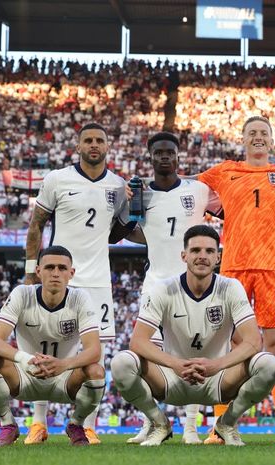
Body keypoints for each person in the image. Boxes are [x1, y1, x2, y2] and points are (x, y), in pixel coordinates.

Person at [195, 116, 275, 443]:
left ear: (271, 141)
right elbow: (186, 185)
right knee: (229, 344)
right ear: (243, 139)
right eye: (252, 133)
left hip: (273, 268)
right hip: (233, 268)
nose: (258, 138)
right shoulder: (224, 170)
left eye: (263, 133)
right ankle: (220, 425)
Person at [111, 225, 275, 446]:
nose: (202, 256)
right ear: (184, 256)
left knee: (268, 364)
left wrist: (217, 365)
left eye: (209, 251)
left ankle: (226, 423)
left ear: (218, 257)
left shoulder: (231, 287)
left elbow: (253, 341)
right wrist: (176, 364)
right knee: (121, 362)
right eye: (196, 250)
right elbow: (138, 341)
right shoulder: (163, 289)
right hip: (171, 378)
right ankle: (159, 422)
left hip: (219, 379)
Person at [110, 132, 222, 445]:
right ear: (151, 157)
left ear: (177, 156)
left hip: (194, 285)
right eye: (158, 153)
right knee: (146, 354)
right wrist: (129, 207)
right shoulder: (142, 194)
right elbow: (117, 235)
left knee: (193, 352)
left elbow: (232, 210)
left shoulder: (198, 190)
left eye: (169, 152)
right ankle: (153, 422)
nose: (164, 157)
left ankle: (190, 427)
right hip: (156, 284)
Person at [25, 122, 133, 444]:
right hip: (57, 276)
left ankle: (85, 424)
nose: (94, 145)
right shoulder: (57, 179)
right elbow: (36, 225)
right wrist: (32, 270)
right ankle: (39, 423)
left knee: (95, 355)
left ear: (107, 146)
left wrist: (129, 211)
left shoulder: (117, 185)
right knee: (45, 344)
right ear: (78, 145)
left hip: (98, 281)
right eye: (88, 140)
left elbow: (113, 234)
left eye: (100, 140)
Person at [0, 246, 104, 446]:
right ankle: (8, 424)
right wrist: (26, 359)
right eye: (49, 267)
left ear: (71, 273)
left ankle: (76, 425)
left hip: (63, 380)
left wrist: (64, 364)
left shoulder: (80, 298)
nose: (55, 273)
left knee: (96, 370)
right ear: (38, 271)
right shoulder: (22, 294)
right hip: (25, 376)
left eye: (62, 268)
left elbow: (94, 350)